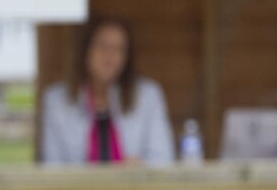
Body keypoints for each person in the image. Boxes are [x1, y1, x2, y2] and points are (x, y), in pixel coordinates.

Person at [40, 19, 176, 166]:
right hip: (76, 189)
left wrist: (139, 166)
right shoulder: (56, 99)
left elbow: (163, 160)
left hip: (133, 187)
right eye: (102, 46)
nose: (110, 55)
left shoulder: (148, 96)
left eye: (119, 48)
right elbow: (52, 166)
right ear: (85, 50)